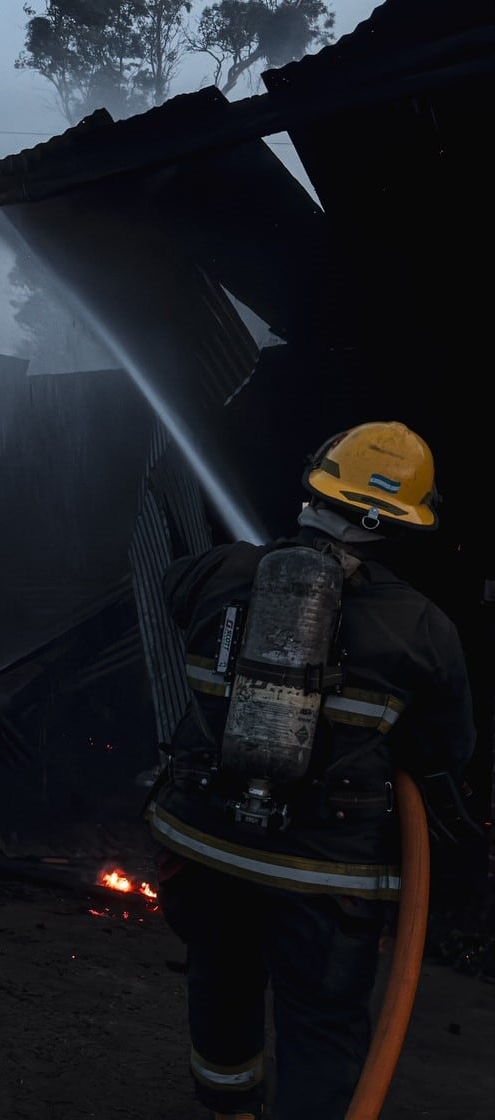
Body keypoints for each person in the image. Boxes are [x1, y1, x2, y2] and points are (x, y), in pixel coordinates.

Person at [146, 420, 480, 1120]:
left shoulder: (216, 572)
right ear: (404, 522)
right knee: (322, 1027)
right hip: (326, 876)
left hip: (204, 844)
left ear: (314, 486)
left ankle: (229, 1111)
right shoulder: (423, 629)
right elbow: (447, 752)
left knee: (220, 982)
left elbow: (174, 595)